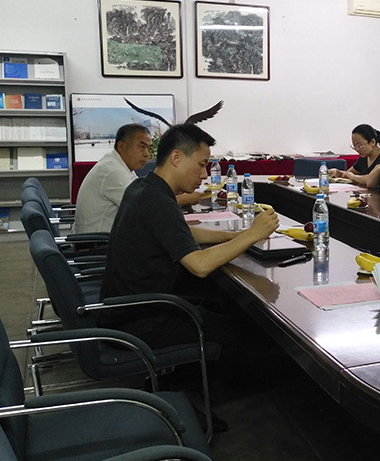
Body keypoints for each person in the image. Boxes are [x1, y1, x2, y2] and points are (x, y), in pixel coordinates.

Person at [99, 123, 279, 351]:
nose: (205, 174)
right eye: (201, 165)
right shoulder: (158, 201)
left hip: (131, 309)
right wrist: (253, 234)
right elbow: (200, 265)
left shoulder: (142, 188)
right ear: (176, 158)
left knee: (220, 302)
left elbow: (182, 231)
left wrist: (232, 236)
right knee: (256, 338)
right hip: (142, 322)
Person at [74, 124, 201, 234]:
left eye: (149, 148)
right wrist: (184, 199)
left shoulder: (120, 165)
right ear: (122, 146)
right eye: (142, 147)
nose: (147, 154)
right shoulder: (112, 170)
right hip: (97, 245)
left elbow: (144, 195)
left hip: (110, 238)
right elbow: (145, 207)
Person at [329, 123, 380, 188]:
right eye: (354, 146)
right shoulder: (364, 157)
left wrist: (353, 177)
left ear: (372, 142)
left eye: (360, 145)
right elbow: (348, 173)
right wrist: (338, 172)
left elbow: (369, 179)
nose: (357, 149)